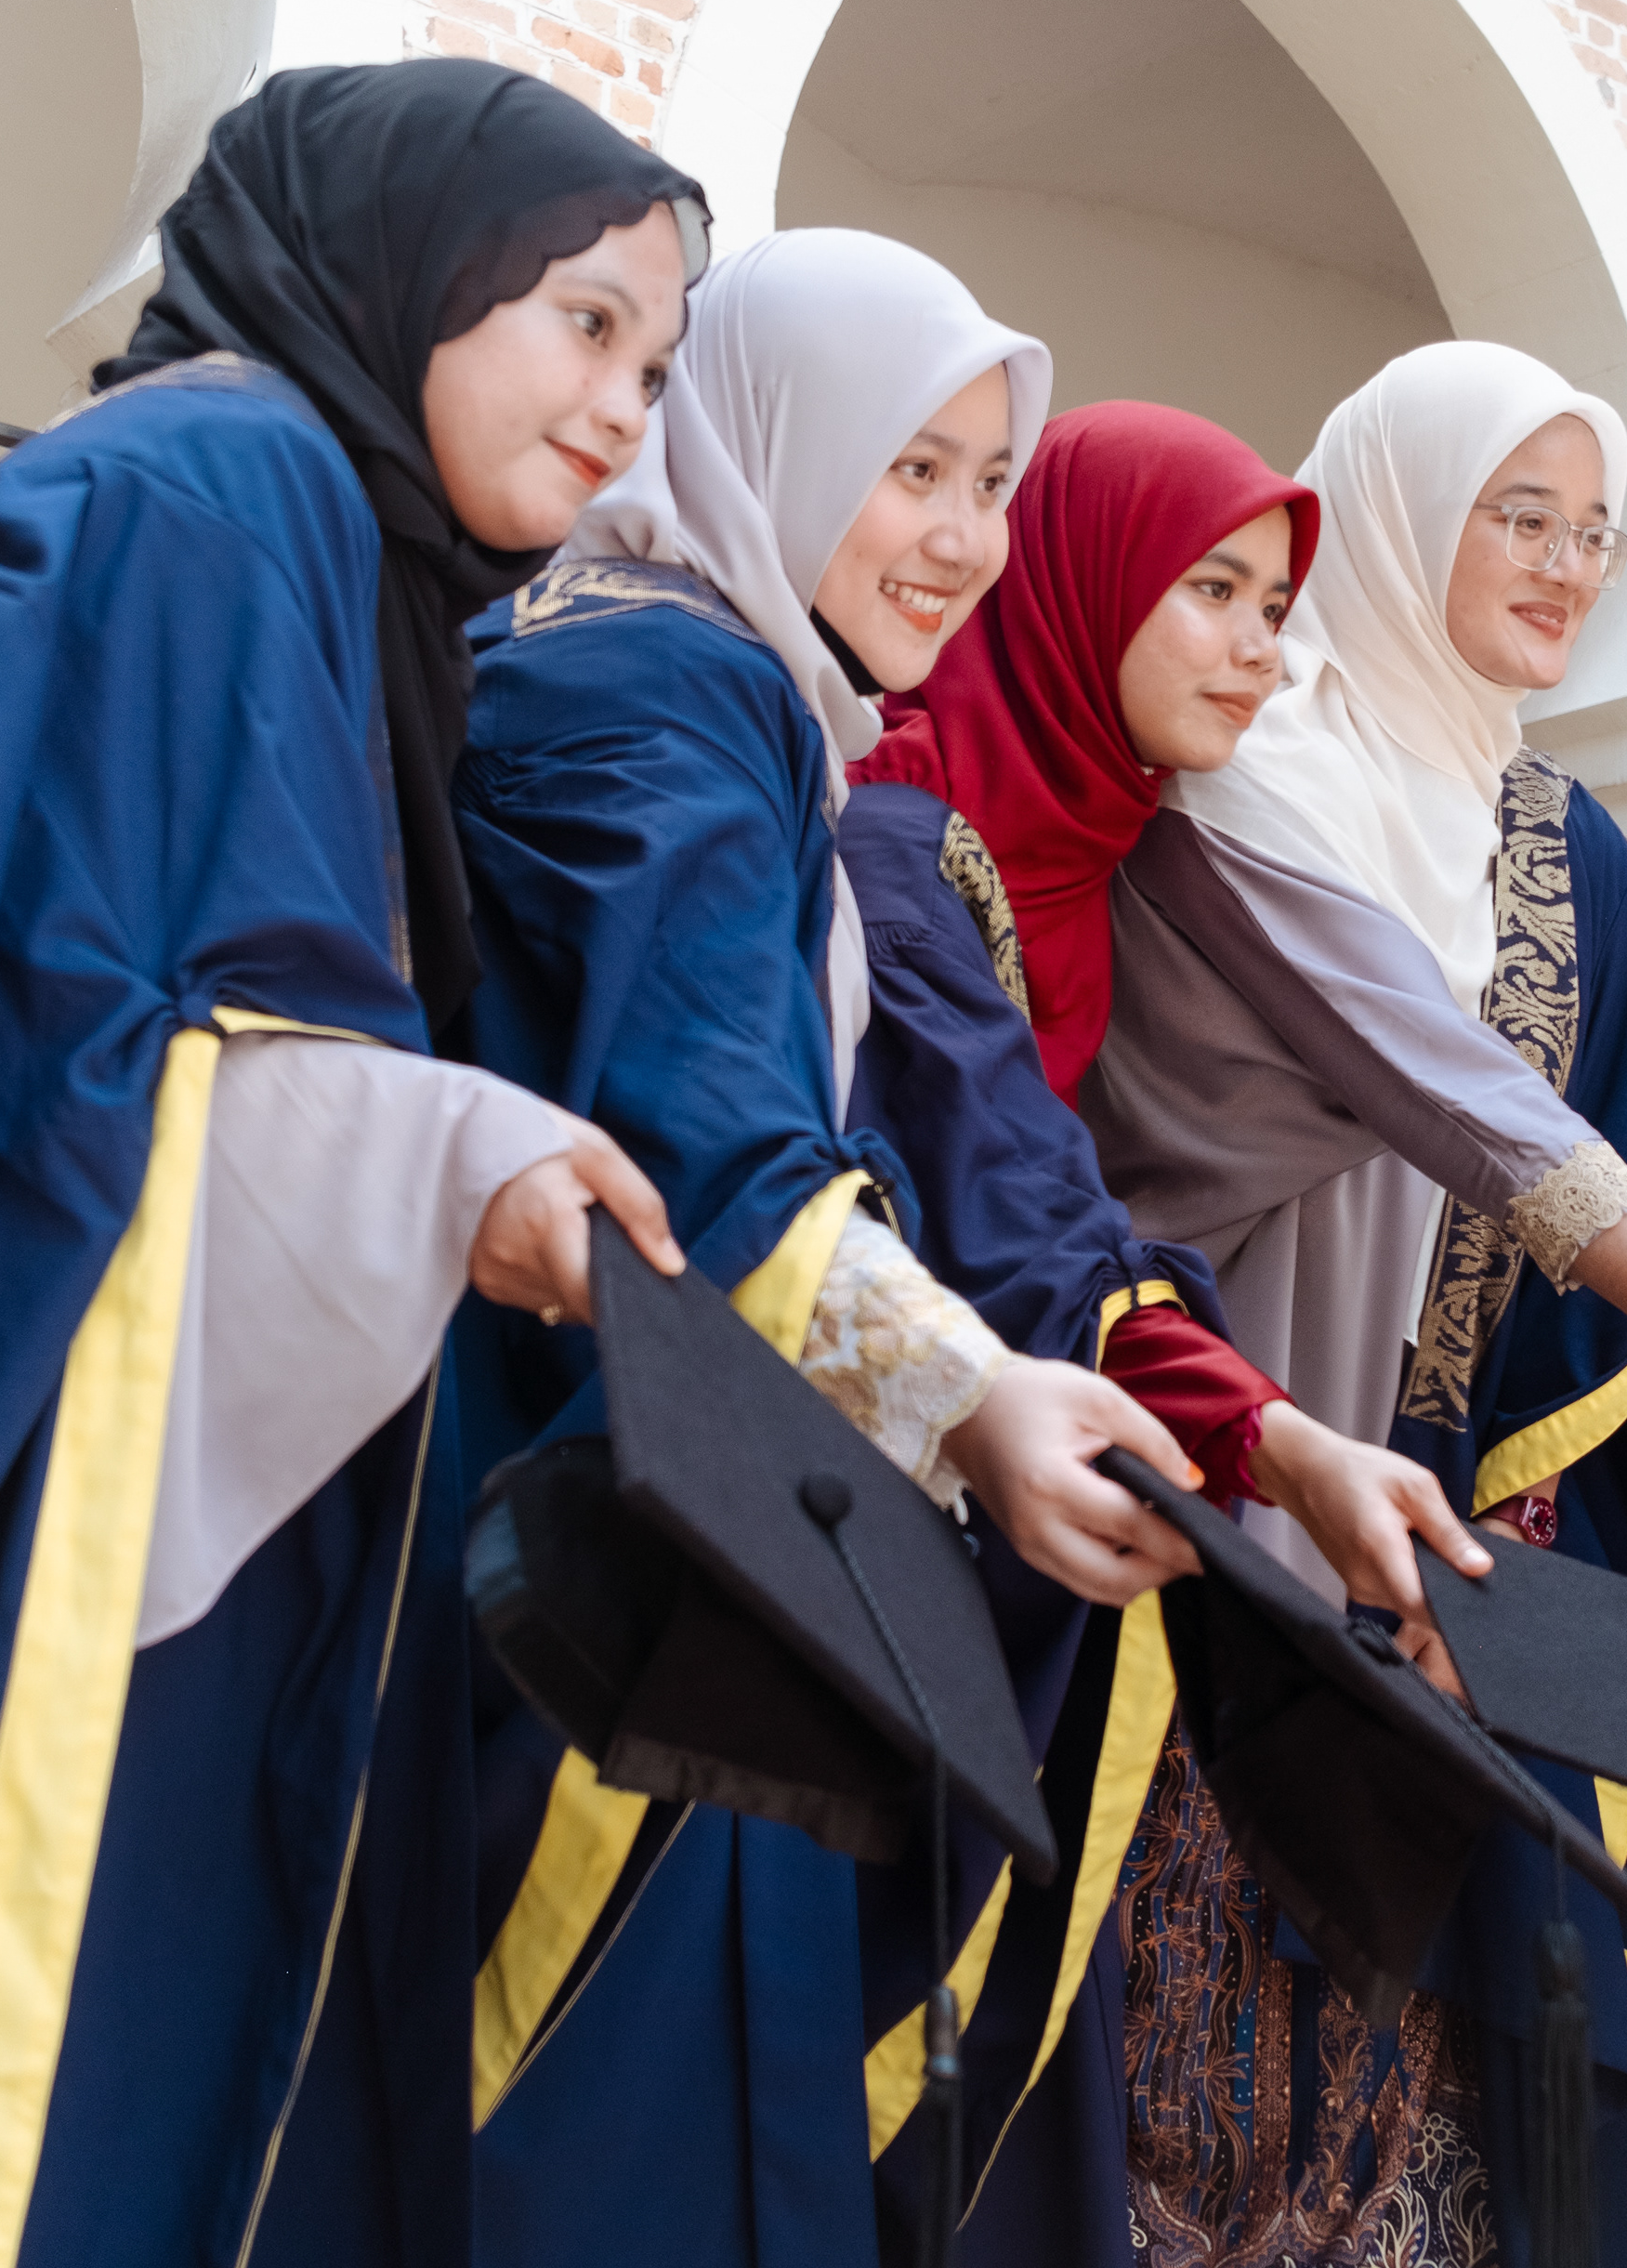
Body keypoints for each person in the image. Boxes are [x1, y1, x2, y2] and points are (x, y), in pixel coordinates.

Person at [0, 60, 700, 2268]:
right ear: (401, 266)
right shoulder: (217, 490)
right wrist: (449, 1149)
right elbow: (43, 1016)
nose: (622, 410)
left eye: (659, 368)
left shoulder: (345, 559)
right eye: (582, 321)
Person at [1081, 343, 1627, 2266]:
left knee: (1432, 2082)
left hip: (1440, 1516)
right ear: (1394, 516)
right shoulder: (1239, 776)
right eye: (1519, 516)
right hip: (1192, 1465)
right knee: (1176, 2055)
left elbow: (1625, 1163)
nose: (1566, 566)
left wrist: (1537, 1547)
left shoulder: (1560, 850)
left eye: (1594, 532)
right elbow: (1453, 1093)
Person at [450, 229, 1206, 2268]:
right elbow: (712, 1136)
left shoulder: (640, 656)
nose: (962, 538)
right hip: (621, 1533)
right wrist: (971, 1397)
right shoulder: (674, 682)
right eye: (910, 468)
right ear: (761, 434)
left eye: (991, 481)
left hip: (613, 1481)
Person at [846, 397, 1502, 2255]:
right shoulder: (900, 833)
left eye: (1276, 606)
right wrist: (1273, 1440)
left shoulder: (1105, 843)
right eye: (1209, 589)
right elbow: (1015, 1199)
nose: (1256, 648)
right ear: (1086, 584)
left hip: (1038, 1478)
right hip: (882, 1504)